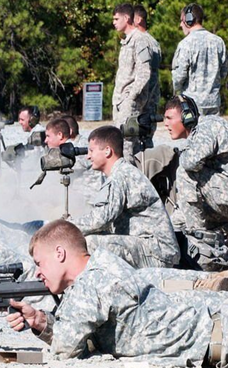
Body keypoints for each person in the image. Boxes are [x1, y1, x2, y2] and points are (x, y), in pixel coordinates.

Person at [6, 219, 228, 368]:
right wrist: (40, 321)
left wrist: (13, 357)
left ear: (59, 253)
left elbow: (65, 351)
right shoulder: (102, 265)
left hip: (218, 340)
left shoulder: (90, 284)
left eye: (39, 263)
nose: (38, 272)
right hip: (215, 326)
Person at [72, 126, 179, 268]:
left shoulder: (120, 176)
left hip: (157, 252)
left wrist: (67, 227)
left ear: (107, 151)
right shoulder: (122, 172)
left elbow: (101, 219)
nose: (88, 156)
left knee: (88, 242)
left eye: (91, 150)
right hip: (149, 247)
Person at [163, 95, 228, 270]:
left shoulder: (208, 126)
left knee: (185, 172)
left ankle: (199, 242)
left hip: (224, 194)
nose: (165, 124)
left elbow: (190, 161)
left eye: (169, 118)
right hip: (221, 195)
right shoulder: (197, 134)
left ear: (187, 116)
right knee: (174, 223)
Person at [111, 3, 152, 162]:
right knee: (120, 144)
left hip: (129, 102)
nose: (114, 22)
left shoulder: (139, 40)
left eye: (116, 19)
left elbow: (144, 72)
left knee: (126, 145)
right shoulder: (127, 41)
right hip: (121, 100)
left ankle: (128, 181)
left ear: (127, 18)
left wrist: (131, 98)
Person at [172, 3, 228, 116]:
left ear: (188, 20)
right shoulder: (218, 42)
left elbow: (178, 78)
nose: (180, 25)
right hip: (214, 103)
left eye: (182, 21)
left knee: (195, 133)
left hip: (193, 104)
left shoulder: (186, 44)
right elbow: (223, 73)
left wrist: (176, 90)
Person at [133, 4, 161, 116]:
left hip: (143, 100)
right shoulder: (153, 41)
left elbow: (146, 73)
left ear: (139, 20)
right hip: (150, 99)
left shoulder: (142, 40)